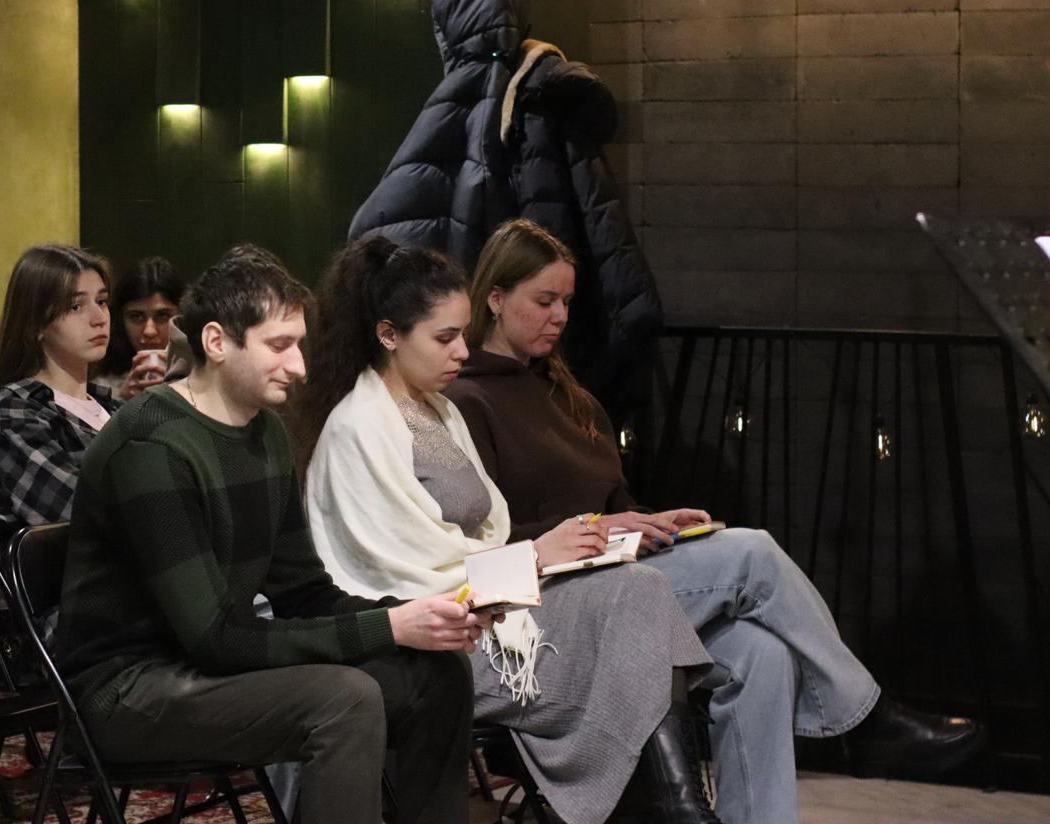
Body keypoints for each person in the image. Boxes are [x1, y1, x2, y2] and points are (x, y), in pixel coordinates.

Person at [445, 217, 989, 824]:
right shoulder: (467, 401)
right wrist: (597, 527)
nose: (560, 316)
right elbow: (480, 542)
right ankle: (864, 719)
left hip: (620, 574)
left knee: (761, 654)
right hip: (550, 598)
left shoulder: (574, 400)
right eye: (544, 300)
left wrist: (651, 519)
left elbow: (613, 502)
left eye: (567, 302)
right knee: (751, 552)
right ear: (496, 298)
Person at [57, 245, 484, 824]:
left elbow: (305, 593)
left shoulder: (266, 432)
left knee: (437, 672)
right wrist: (389, 626)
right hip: (128, 690)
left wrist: (416, 619)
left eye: (299, 344)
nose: (300, 366)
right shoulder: (151, 446)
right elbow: (214, 638)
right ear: (217, 342)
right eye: (279, 345)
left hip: (203, 667)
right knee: (344, 700)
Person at [297, 236, 717, 824]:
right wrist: (536, 556)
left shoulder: (438, 410)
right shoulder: (358, 428)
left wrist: (540, 558)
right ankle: (679, 811)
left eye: (462, 334)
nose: (461, 351)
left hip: (498, 607)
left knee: (639, 596)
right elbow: (407, 574)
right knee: (637, 602)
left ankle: (676, 809)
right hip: (438, 636)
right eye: (444, 338)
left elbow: (483, 537)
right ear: (389, 335)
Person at [0, 245, 119, 547]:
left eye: (102, 301)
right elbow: (79, 511)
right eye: (76, 306)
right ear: (37, 324)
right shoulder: (14, 414)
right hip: (73, 573)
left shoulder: (115, 407)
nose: (99, 318)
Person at [93, 256, 183, 401]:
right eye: (136, 317)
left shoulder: (205, 376)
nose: (149, 331)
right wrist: (121, 399)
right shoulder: (99, 384)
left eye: (162, 316)